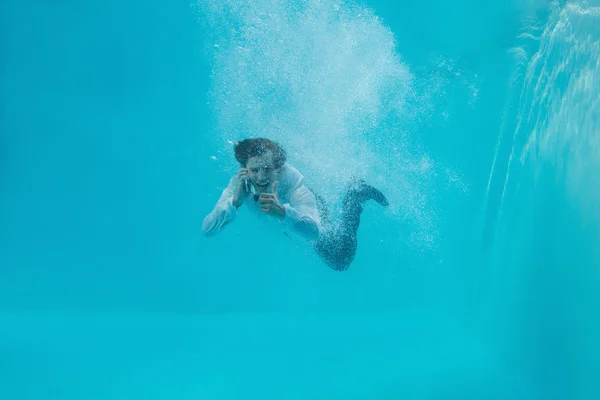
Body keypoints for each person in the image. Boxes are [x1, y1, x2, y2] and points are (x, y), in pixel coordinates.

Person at [202, 138, 388, 271]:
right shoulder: (240, 184)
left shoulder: (292, 180)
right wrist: (235, 202)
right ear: (245, 170)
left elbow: (315, 232)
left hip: (309, 211)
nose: (260, 177)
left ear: (279, 169)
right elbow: (207, 230)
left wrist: (282, 212)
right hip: (287, 225)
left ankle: (354, 195)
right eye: (254, 170)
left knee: (340, 258)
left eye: (267, 170)